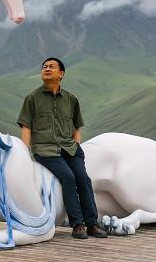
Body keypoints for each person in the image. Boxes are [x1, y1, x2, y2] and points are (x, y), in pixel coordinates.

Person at [17, 57, 108, 239]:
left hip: (70, 149)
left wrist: (76, 144)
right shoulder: (32, 98)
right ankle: (77, 224)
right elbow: (26, 126)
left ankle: (92, 224)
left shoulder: (71, 99)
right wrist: (25, 153)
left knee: (83, 178)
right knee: (68, 177)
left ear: (61, 73)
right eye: (44, 67)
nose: (47, 69)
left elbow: (77, 126)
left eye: (51, 67)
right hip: (45, 150)